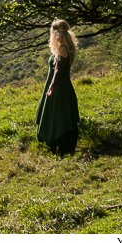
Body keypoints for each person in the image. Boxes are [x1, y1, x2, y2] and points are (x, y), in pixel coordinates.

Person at [36, 19, 80, 156]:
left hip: (59, 86)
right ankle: (61, 146)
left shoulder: (62, 49)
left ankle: (60, 146)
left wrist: (52, 87)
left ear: (56, 33)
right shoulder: (65, 47)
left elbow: (57, 71)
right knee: (60, 113)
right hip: (62, 85)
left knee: (58, 114)